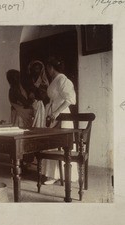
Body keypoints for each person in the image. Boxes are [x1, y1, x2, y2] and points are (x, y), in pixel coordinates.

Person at [41, 56, 78, 184]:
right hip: (53, 114)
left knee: (59, 145)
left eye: (47, 68)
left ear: (51, 68)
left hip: (61, 116)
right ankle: (53, 175)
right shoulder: (55, 80)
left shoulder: (63, 79)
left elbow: (70, 99)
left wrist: (56, 112)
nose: (47, 70)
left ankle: (62, 175)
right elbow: (55, 95)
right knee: (52, 144)